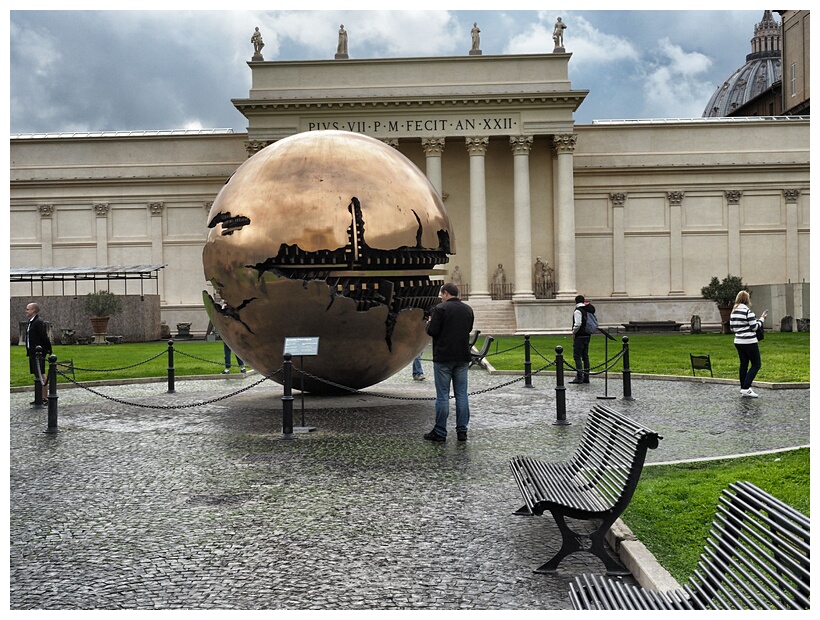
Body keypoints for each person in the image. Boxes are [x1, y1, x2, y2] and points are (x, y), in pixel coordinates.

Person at [423, 283, 474, 442]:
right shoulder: (467, 309)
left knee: (443, 395)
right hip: (462, 356)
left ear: (446, 293)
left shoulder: (440, 309)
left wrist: (429, 323)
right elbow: (469, 329)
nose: (441, 297)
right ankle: (462, 430)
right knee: (461, 395)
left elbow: (433, 331)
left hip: (444, 356)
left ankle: (440, 431)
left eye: (441, 294)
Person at [729, 290, 767, 397]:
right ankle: (746, 387)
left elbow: (732, 328)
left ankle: (743, 387)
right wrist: (762, 319)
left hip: (738, 340)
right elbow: (755, 327)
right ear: (747, 299)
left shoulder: (733, 311)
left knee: (743, 364)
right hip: (749, 341)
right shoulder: (747, 311)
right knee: (756, 364)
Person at [24, 302, 52, 405]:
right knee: (37, 374)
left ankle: (45, 397)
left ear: (34, 311)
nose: (26, 311)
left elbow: (43, 337)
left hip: (39, 352)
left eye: (28, 309)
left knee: (41, 373)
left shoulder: (38, 322)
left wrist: (47, 349)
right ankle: (39, 397)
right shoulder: (31, 322)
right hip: (32, 352)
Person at [569, 294, 593, 384]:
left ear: (576, 301)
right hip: (587, 335)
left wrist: (574, 332)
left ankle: (579, 377)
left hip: (580, 336)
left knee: (577, 356)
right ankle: (586, 376)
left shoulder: (578, 311)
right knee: (585, 356)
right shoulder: (587, 309)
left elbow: (578, 323)